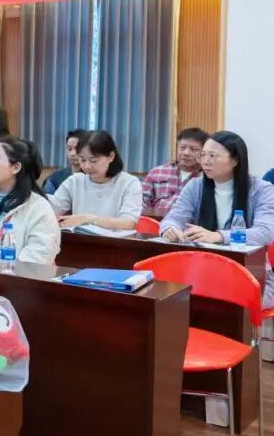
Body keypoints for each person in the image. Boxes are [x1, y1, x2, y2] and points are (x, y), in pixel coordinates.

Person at [160, 131, 274, 307]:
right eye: (203, 155)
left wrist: (220, 236)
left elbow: (265, 232)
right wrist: (169, 229)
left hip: (250, 275)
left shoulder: (262, 190)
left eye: (213, 156)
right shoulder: (195, 186)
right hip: (203, 271)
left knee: (227, 305)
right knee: (176, 300)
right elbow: (173, 218)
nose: (205, 161)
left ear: (235, 160)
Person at [49, 130, 142, 231]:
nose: (87, 166)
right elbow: (52, 208)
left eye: (93, 160)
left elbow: (128, 223)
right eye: (82, 160)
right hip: (81, 239)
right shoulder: (74, 181)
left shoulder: (129, 183)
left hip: (115, 240)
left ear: (111, 156)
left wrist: (86, 219)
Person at [142, 127, 209, 217]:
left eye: (193, 149)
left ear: (203, 152)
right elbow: (142, 203)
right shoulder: (157, 172)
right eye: (182, 147)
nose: (186, 153)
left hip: (189, 223)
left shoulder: (207, 177)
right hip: (155, 222)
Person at [42, 129, 88, 195]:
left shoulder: (93, 177)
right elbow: (47, 198)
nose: (72, 154)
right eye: (69, 149)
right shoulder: (55, 176)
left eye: (77, 149)